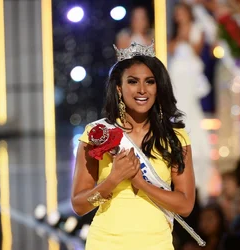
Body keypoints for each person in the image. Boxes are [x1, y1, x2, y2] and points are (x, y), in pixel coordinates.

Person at [71, 41, 196, 250]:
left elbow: (185, 205)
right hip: (105, 243)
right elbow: (80, 205)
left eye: (149, 82)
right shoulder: (97, 134)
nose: (142, 90)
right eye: (132, 81)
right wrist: (113, 180)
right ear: (119, 88)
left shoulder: (176, 137)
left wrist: (142, 184)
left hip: (156, 243)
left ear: (158, 87)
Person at [168, 2, 212, 205]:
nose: (178, 16)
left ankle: (195, 148)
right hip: (177, 74)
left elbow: (198, 50)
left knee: (190, 112)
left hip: (190, 73)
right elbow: (169, 48)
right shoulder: (173, 32)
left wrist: (185, 38)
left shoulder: (197, 29)